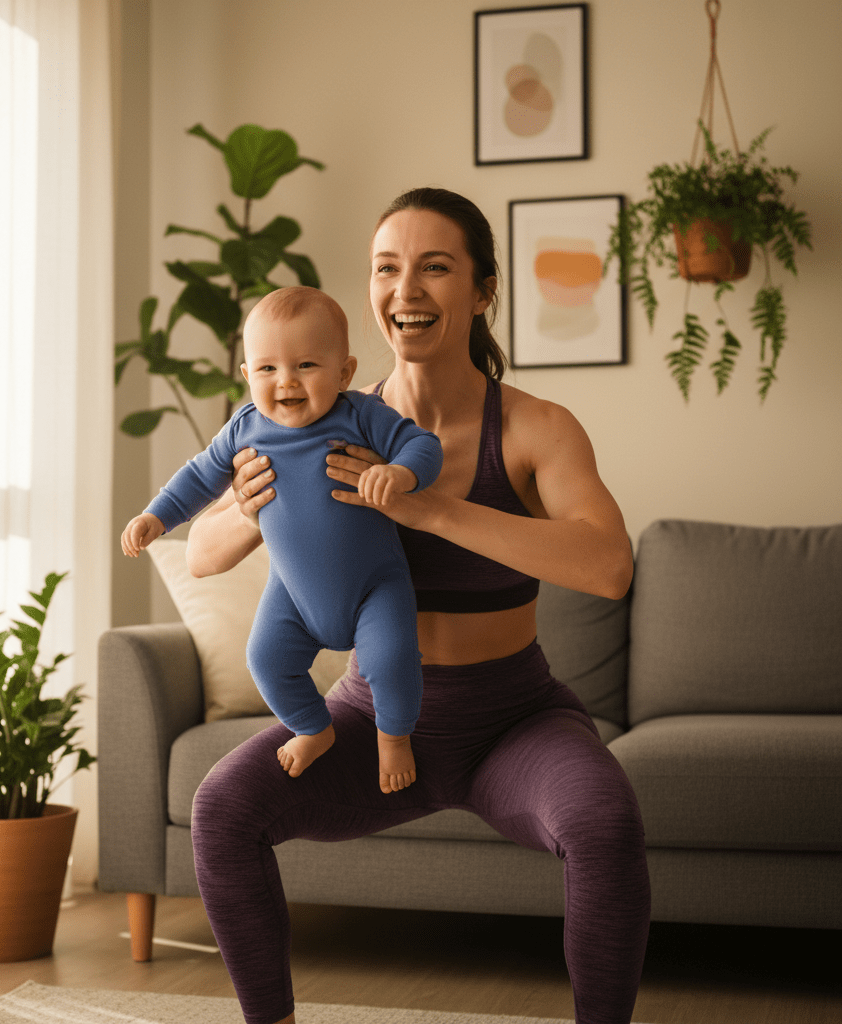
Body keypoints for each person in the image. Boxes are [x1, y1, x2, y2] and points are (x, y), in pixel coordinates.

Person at [183, 188, 652, 1024]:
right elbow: (201, 553)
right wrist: (246, 508)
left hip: (514, 720)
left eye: (435, 267)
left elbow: (610, 566)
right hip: (370, 720)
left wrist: (435, 509)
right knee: (223, 807)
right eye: (387, 268)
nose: (407, 289)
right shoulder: (314, 416)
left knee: (605, 822)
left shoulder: (536, 429)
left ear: (481, 292)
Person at [122, 286, 443, 792]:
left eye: (306, 366)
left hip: (374, 586)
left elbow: (423, 444)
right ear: (248, 376)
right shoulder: (244, 430)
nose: (286, 381)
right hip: (292, 593)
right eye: (268, 369)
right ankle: (312, 728)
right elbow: (197, 477)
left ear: (344, 372)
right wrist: (156, 516)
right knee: (266, 660)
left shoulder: (362, 415)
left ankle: (395, 737)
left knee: (391, 661)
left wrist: (401, 474)